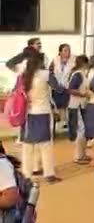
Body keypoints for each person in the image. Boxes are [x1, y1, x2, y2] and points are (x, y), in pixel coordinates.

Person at [16, 50, 63, 183]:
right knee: (46, 145)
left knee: (28, 145)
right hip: (43, 112)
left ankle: (26, 175)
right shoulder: (46, 74)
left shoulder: (24, 75)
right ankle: (49, 174)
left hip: (28, 113)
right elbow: (59, 88)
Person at [66, 55, 91, 164]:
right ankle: (78, 156)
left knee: (83, 130)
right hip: (77, 106)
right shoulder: (78, 75)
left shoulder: (80, 74)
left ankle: (82, 154)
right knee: (81, 130)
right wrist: (83, 94)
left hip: (81, 105)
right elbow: (71, 89)